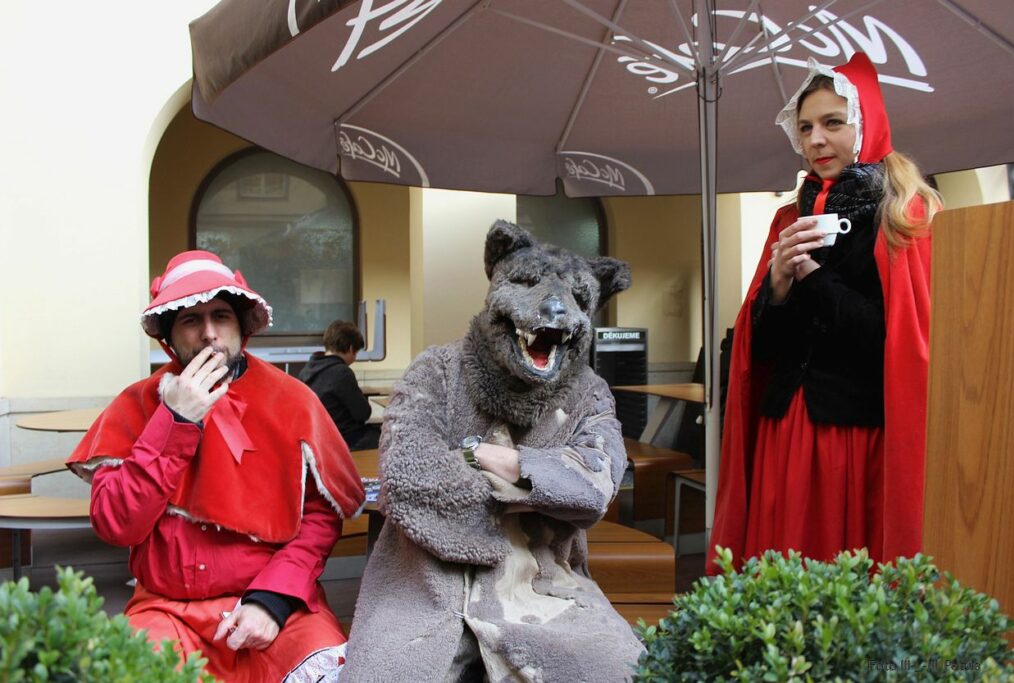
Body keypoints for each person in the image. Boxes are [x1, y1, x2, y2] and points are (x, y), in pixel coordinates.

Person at [341, 220, 643, 681]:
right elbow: (406, 477)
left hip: (545, 593)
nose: (555, 307)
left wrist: (486, 457)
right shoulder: (436, 370)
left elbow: (594, 487)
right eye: (525, 283)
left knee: (618, 671)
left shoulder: (590, 393)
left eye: (577, 299)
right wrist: (538, 491)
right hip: (421, 589)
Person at [66, 250, 366, 682]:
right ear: (169, 335)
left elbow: (320, 518)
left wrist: (272, 601)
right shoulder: (134, 406)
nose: (209, 334)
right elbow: (118, 525)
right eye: (191, 319)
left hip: (277, 609)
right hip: (166, 613)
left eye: (221, 316)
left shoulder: (294, 401)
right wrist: (174, 422)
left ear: (242, 325)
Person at [708, 53, 940, 574]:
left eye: (833, 123)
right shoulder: (788, 217)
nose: (816, 140)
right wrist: (778, 286)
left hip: (853, 440)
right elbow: (759, 352)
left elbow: (894, 343)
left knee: (842, 583)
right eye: (806, 127)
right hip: (783, 430)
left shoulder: (905, 214)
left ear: (866, 124)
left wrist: (813, 276)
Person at [300, 321, 380, 450]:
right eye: (356, 353)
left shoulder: (306, 371)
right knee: (385, 436)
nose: (355, 358)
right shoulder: (342, 372)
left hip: (318, 439)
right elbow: (363, 413)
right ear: (350, 348)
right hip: (345, 439)